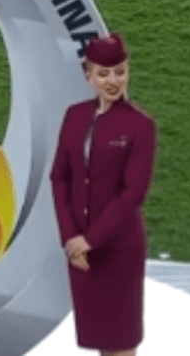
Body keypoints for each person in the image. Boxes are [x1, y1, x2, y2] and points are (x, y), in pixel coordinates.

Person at [50, 32, 157, 356]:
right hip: (80, 252)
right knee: (100, 339)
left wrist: (90, 239)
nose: (113, 81)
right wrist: (71, 238)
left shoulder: (140, 126)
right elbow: (59, 177)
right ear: (88, 74)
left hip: (118, 250)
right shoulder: (74, 116)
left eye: (120, 72)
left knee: (122, 341)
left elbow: (133, 193)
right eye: (104, 73)